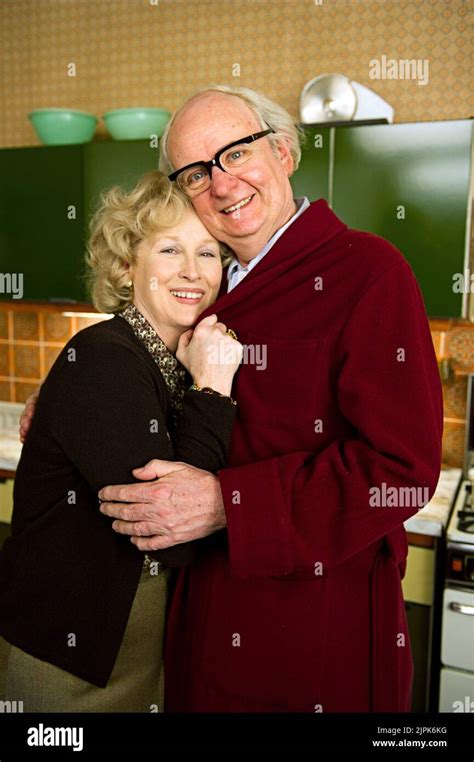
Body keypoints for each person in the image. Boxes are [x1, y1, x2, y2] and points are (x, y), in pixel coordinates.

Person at [22, 84, 444, 713]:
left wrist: (229, 504)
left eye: (236, 153)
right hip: (191, 624)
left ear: (283, 152)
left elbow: (402, 471)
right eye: (196, 172)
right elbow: (149, 372)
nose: (220, 184)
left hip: (306, 634)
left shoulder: (368, 272)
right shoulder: (207, 288)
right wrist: (65, 396)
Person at [0, 170, 242, 712]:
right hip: (71, 669)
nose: (191, 272)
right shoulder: (107, 359)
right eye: (170, 249)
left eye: (208, 254)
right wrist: (214, 388)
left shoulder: (169, 360)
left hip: (139, 661)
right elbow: (173, 530)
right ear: (127, 265)